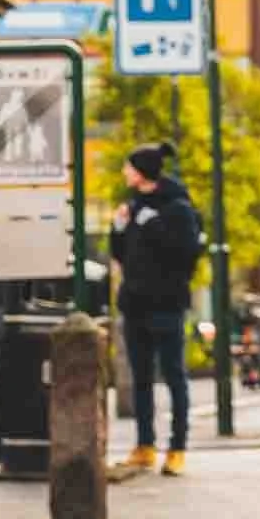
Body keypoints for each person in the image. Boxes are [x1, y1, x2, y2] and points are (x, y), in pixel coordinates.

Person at [109, 143, 202, 477]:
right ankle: (144, 445)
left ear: (142, 171)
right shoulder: (134, 206)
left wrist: (154, 226)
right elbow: (122, 255)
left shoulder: (178, 208)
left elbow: (186, 254)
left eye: (129, 167)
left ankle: (177, 448)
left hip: (167, 305)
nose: (124, 172)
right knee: (141, 379)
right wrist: (118, 229)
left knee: (174, 376)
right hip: (135, 304)